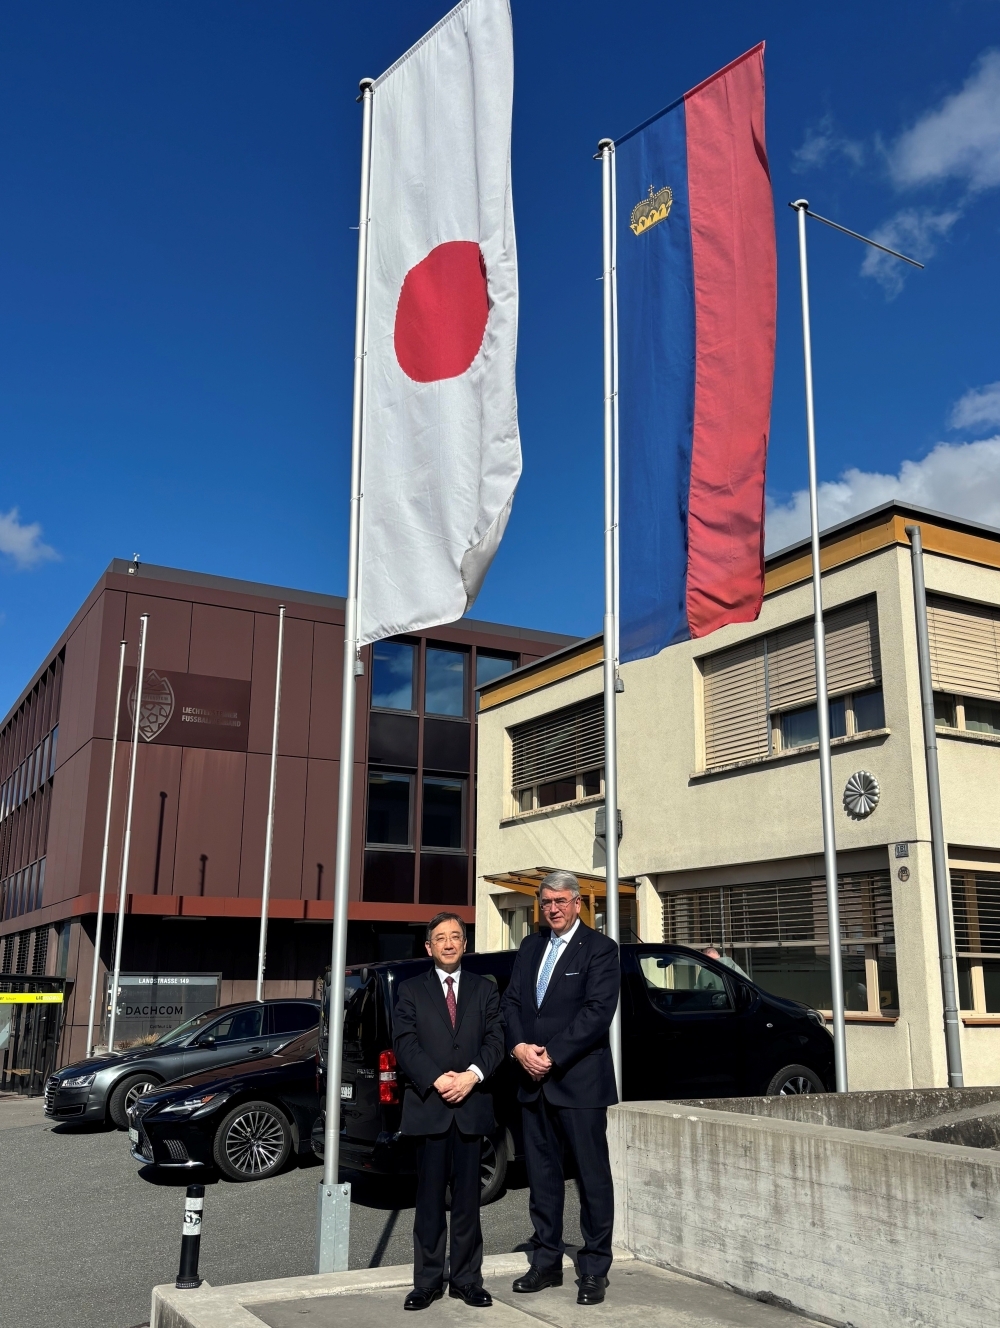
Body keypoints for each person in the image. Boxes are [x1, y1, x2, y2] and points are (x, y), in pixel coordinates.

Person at [501, 870, 620, 1307]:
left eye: (560, 901)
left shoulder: (601, 950)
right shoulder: (531, 947)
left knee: (591, 1179)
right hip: (532, 1084)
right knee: (542, 1178)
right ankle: (546, 1262)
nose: (552, 908)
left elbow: (596, 1013)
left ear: (576, 904)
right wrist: (518, 1048)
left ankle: (593, 1270)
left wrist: (549, 1055)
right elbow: (511, 1003)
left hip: (579, 1084)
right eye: (546, 901)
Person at [393, 912, 505, 1312]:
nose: (449, 943)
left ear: (465, 944)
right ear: (429, 947)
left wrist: (472, 1076)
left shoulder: (484, 989)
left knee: (468, 1203)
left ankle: (466, 1280)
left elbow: (496, 1038)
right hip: (431, 1107)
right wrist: (439, 1079)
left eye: (456, 936)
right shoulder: (410, 990)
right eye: (441, 937)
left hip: (472, 1107)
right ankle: (426, 1281)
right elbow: (405, 1043)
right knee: (427, 1202)